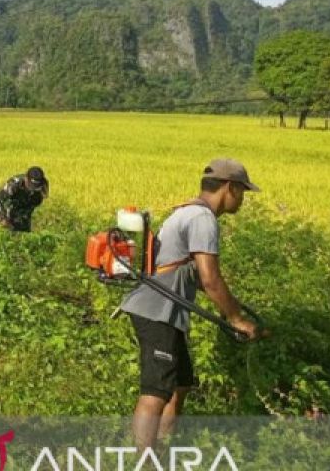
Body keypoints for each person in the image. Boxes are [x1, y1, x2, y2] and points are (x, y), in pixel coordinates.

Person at [119, 159, 266, 451]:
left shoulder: (188, 212)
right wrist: (236, 318)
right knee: (155, 393)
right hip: (156, 310)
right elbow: (210, 279)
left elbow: (196, 275)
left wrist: (234, 307)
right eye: (243, 192)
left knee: (180, 385)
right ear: (230, 188)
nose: (243, 199)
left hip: (167, 312)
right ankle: (144, 463)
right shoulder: (202, 219)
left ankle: (162, 450)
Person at [0, 166, 49, 231]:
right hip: (13, 203)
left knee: (24, 228)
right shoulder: (14, 184)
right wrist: (2, 217)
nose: (32, 189)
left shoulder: (43, 183)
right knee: (7, 227)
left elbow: (44, 195)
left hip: (28, 204)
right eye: (30, 185)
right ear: (26, 178)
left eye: (36, 187)